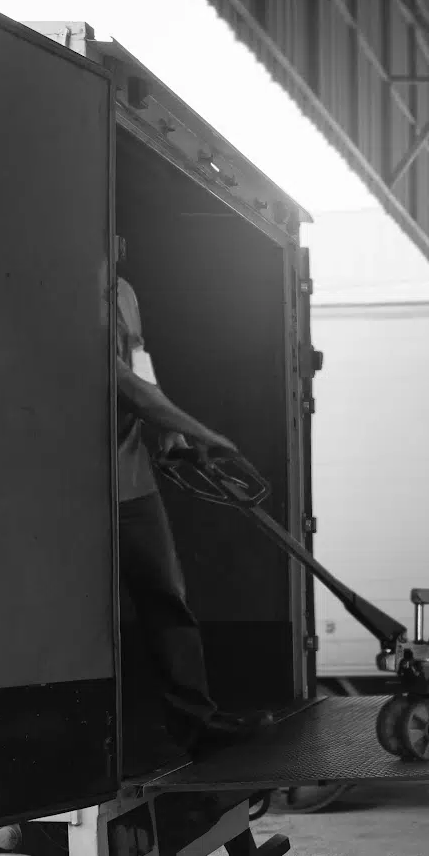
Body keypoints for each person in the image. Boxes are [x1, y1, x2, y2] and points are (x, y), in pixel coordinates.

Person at [113, 274, 272, 754]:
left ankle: (195, 724)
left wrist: (171, 436)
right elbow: (118, 382)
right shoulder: (60, 283)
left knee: (167, 597)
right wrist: (198, 429)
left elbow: (138, 365)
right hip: (74, 488)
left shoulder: (121, 290)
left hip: (130, 479)